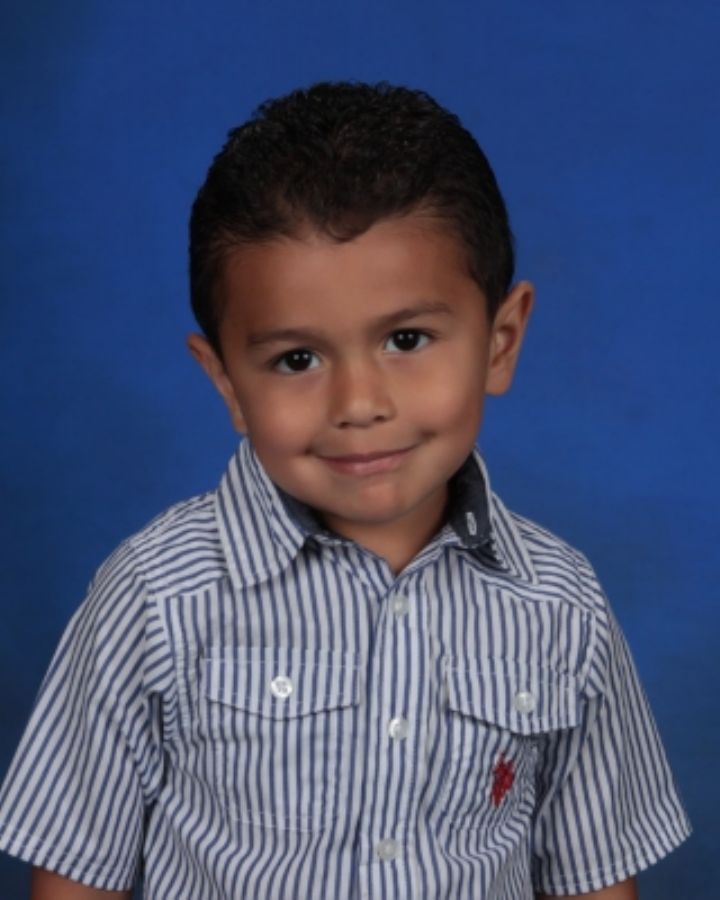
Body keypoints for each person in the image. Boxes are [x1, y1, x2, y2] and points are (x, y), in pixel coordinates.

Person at [0, 81, 690, 900]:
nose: (359, 404)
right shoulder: (155, 597)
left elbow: (591, 874)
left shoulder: (561, 602)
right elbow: (78, 872)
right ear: (226, 382)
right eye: (297, 359)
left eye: (407, 339)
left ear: (500, 342)